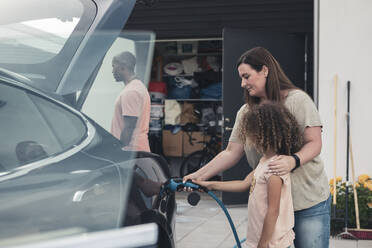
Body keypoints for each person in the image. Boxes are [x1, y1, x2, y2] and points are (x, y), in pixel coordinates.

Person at [184, 47, 330, 248]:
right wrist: (198, 176)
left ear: (265, 70)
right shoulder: (246, 112)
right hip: (271, 205)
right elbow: (231, 152)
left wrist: (292, 160)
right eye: (241, 78)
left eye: (246, 76)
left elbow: (315, 142)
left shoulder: (297, 100)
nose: (243, 84)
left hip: (306, 201)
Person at [195, 101, 302, 248]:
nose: (249, 140)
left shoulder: (274, 169)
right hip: (257, 240)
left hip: (272, 244)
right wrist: (209, 184)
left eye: (251, 135)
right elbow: (244, 183)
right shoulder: (264, 161)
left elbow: (273, 211)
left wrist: (262, 245)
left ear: (263, 135)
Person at [111, 51, 151, 152]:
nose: (112, 71)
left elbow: (129, 127)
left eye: (113, 66)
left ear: (122, 67)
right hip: (135, 151)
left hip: (131, 152)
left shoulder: (131, 91)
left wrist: (118, 151)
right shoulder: (137, 86)